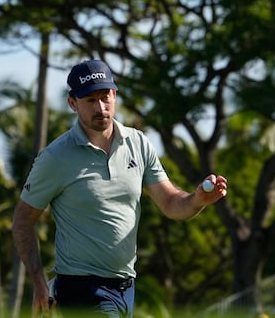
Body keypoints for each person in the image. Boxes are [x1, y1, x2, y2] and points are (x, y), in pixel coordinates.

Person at [12, 59, 228, 317]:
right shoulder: (56, 157)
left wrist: (197, 199)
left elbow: (171, 203)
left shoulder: (138, 143)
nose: (101, 107)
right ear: (73, 103)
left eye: (105, 97)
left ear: (114, 95)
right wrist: (38, 282)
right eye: (90, 100)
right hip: (81, 289)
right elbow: (23, 220)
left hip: (126, 288)